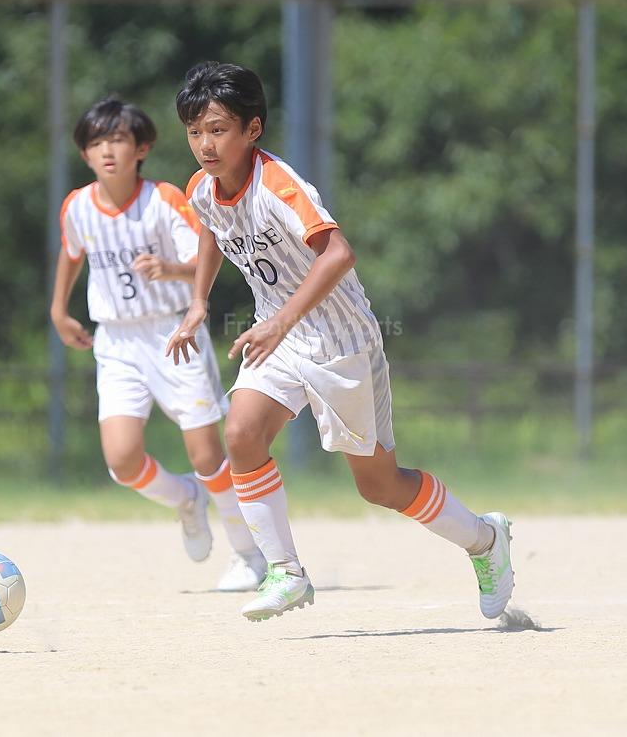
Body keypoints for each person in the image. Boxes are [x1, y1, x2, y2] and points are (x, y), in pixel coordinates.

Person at [164, 62, 514, 622]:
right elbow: (210, 226)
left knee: (380, 486)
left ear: (252, 130)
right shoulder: (202, 188)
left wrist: (281, 322)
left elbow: (339, 254)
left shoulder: (279, 187)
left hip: (340, 341)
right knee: (242, 433)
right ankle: (286, 572)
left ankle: (485, 539)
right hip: (278, 335)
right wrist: (199, 303)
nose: (205, 144)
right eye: (194, 131)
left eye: (219, 129)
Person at [50, 96, 267, 592]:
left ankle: (249, 554)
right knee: (122, 460)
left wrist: (169, 269)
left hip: (172, 333)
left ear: (142, 147)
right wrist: (59, 310)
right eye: (96, 142)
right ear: (84, 154)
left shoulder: (164, 199)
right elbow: (71, 252)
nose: (108, 151)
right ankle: (185, 499)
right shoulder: (77, 206)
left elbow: (207, 260)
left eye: (118, 140)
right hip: (116, 340)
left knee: (207, 456)